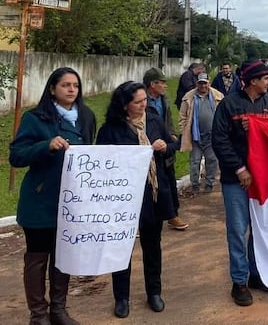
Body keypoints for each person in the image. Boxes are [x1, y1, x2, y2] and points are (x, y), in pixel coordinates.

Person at [9, 67, 96, 325]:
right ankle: (38, 315)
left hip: (72, 201)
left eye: (75, 86)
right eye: (66, 85)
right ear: (52, 89)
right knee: (37, 258)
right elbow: (17, 155)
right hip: (41, 201)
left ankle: (58, 310)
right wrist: (45, 145)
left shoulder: (87, 116)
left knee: (63, 256)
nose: (72, 90)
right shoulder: (35, 118)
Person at [96, 81, 177, 318]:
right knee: (121, 248)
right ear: (124, 105)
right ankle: (121, 297)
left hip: (153, 194)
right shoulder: (110, 130)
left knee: (153, 246)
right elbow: (102, 166)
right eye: (138, 102)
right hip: (124, 199)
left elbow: (173, 144)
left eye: (145, 100)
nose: (143, 105)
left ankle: (154, 292)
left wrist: (165, 147)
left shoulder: (153, 120)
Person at [211, 61, 268, 307]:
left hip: (262, 179)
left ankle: (255, 273)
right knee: (238, 231)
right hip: (236, 180)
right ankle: (239, 282)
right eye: (265, 79)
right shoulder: (229, 105)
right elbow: (219, 140)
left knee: (260, 229)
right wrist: (239, 169)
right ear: (252, 81)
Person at [143, 68, 187, 231]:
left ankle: (172, 215)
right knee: (148, 185)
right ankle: (142, 220)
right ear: (152, 84)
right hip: (149, 148)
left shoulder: (164, 100)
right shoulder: (141, 100)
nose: (165, 86)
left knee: (169, 182)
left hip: (166, 147)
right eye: (162, 83)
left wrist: (173, 135)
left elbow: (168, 121)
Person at [179, 73, 224, 195]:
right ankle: (195, 185)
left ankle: (209, 183)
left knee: (212, 160)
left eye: (205, 83)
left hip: (212, 136)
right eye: (200, 83)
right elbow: (182, 116)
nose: (203, 85)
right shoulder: (189, 97)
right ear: (197, 84)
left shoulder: (218, 96)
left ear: (209, 83)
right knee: (195, 161)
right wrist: (183, 130)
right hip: (195, 136)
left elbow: (224, 116)